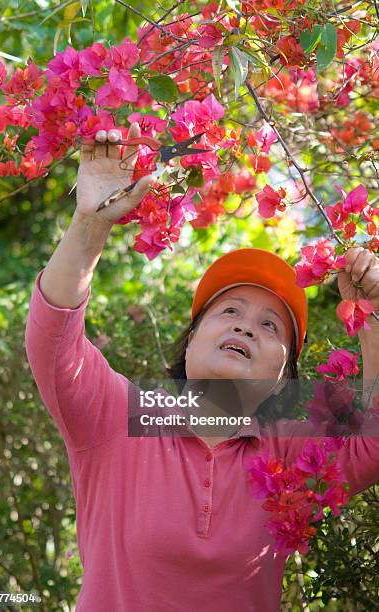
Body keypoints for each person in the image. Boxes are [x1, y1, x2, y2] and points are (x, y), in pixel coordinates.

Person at [25, 123, 379, 611]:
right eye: (229, 312)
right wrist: (90, 223)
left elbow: (374, 438)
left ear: (283, 377)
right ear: (191, 343)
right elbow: (55, 343)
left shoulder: (292, 450)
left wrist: (373, 320)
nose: (247, 328)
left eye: (271, 326)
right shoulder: (119, 417)